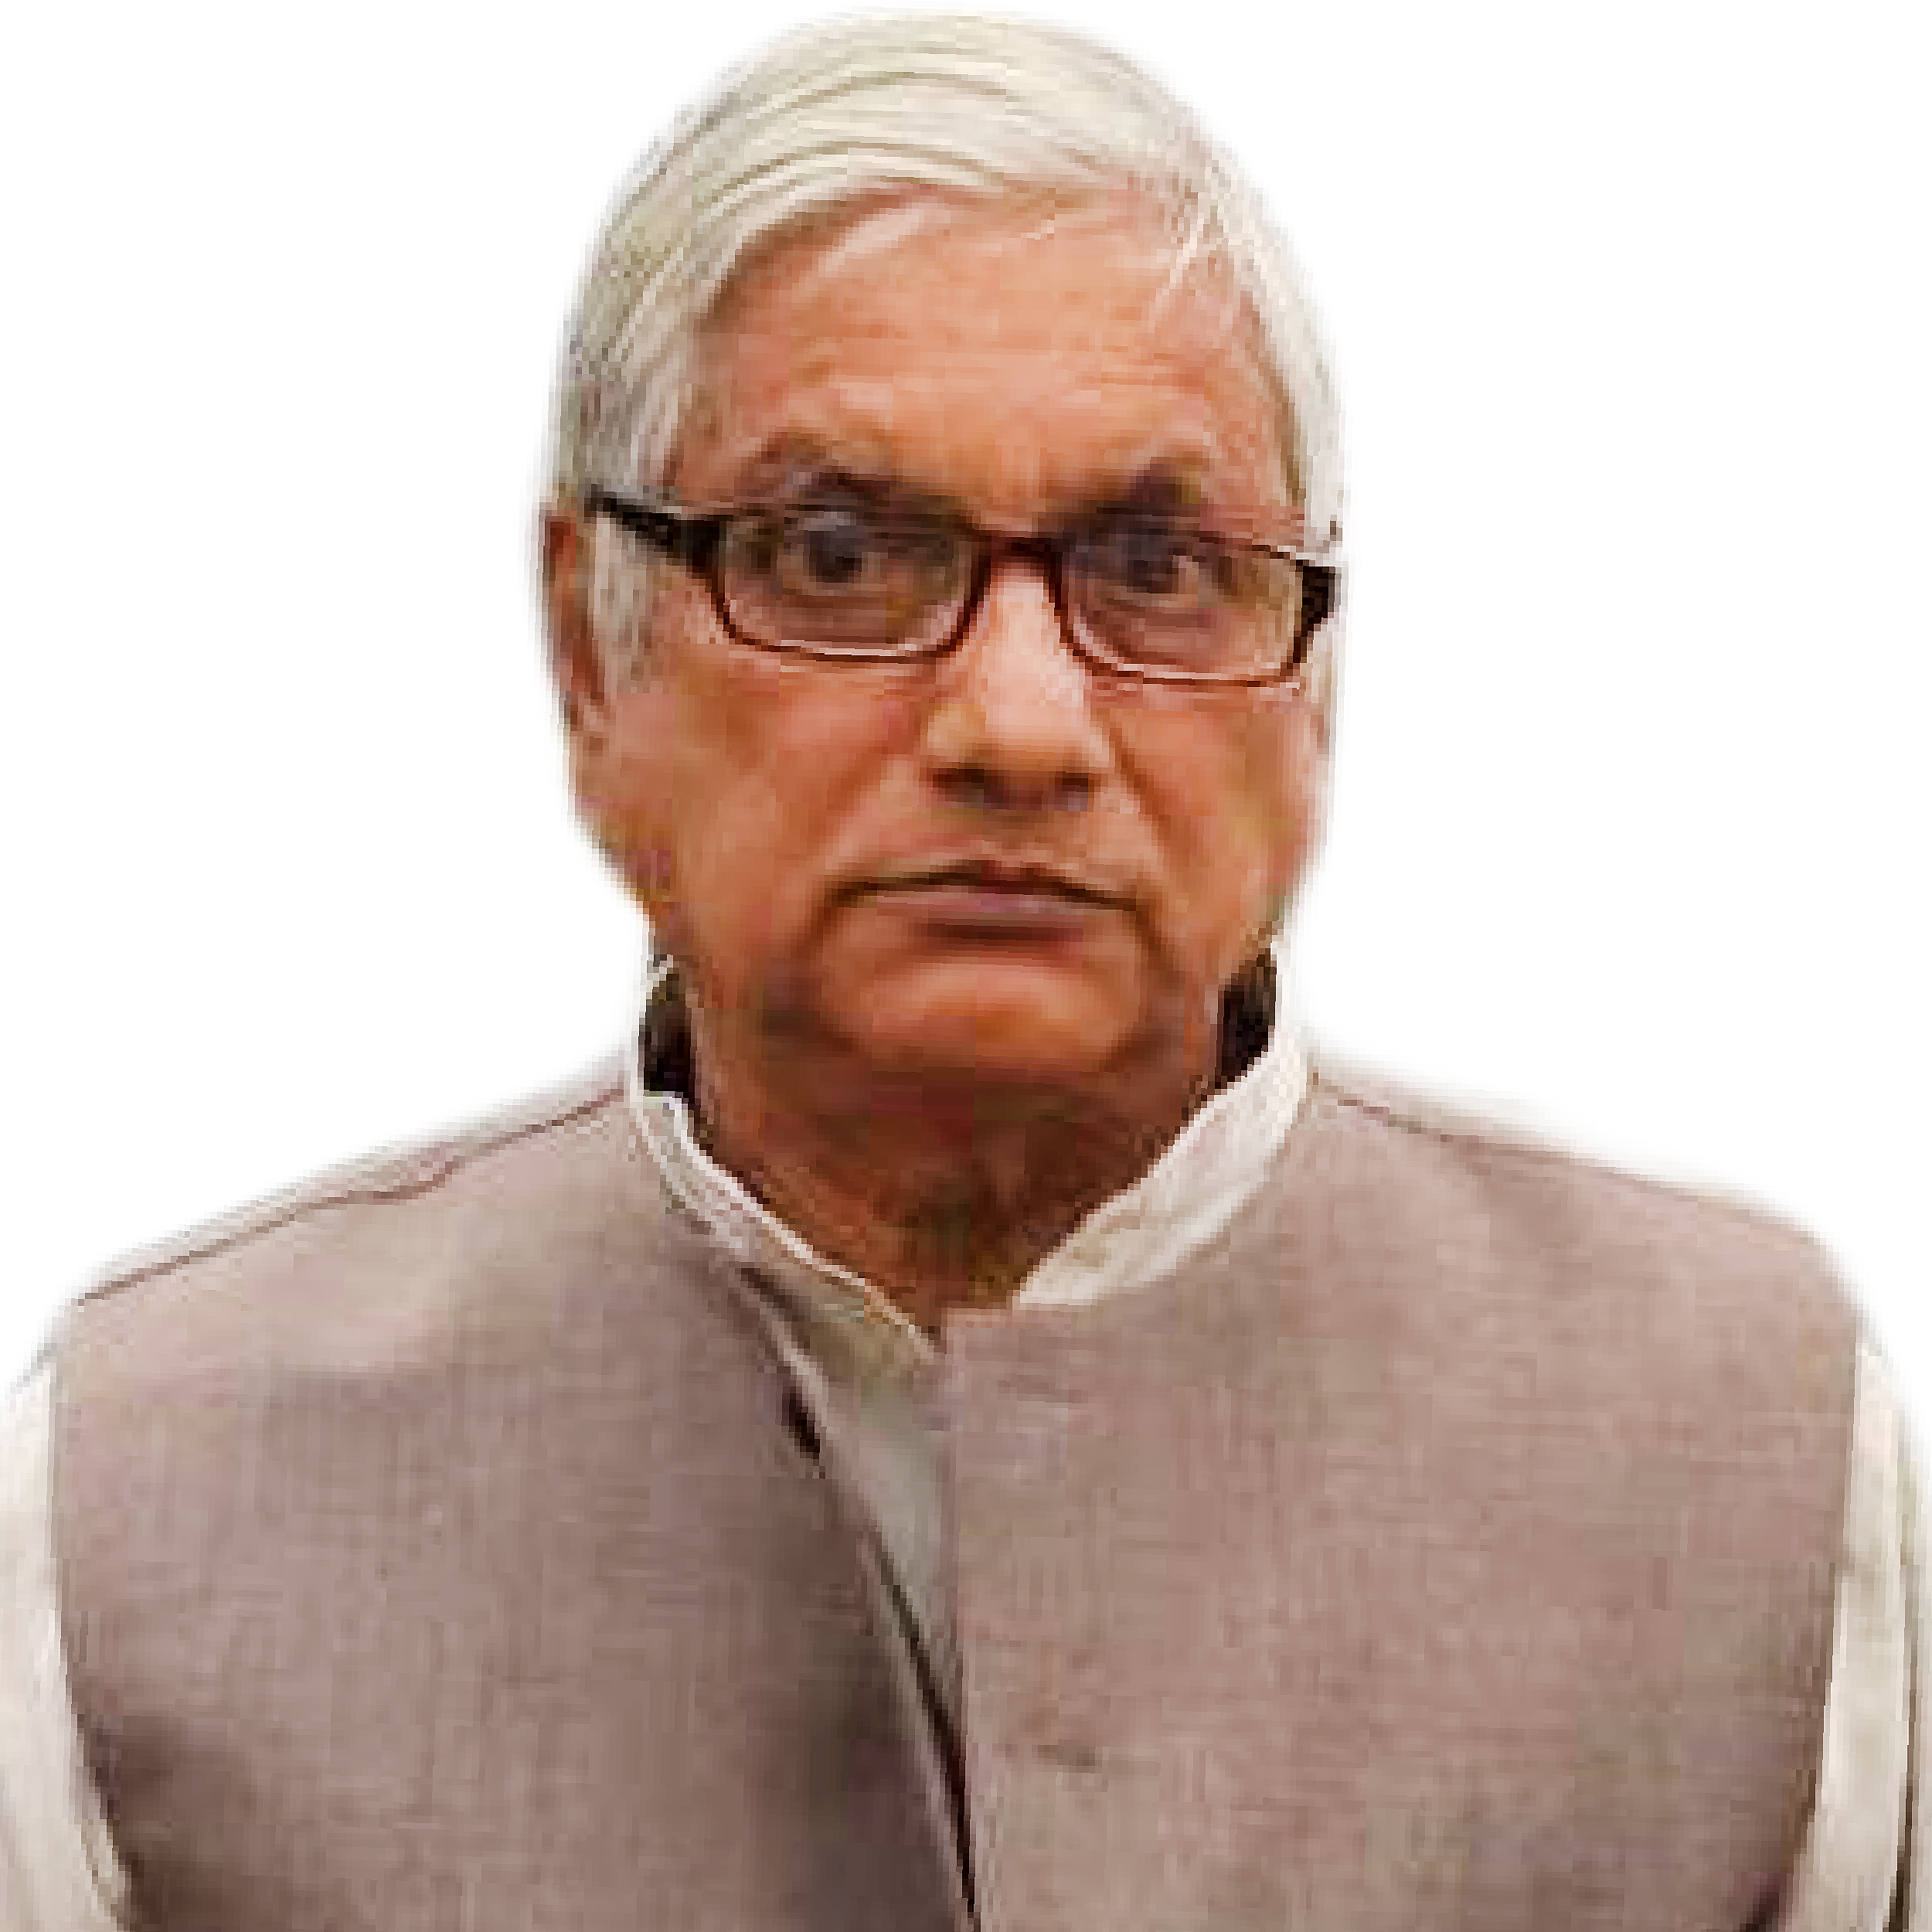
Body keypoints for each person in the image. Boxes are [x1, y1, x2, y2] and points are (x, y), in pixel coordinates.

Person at [1, 10, 1924, 1928]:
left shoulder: (1759, 1458)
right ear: (586, 651)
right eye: (838, 554)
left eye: (1156, 565)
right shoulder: (133, 1504)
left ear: (1317, 679)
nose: (1018, 722)